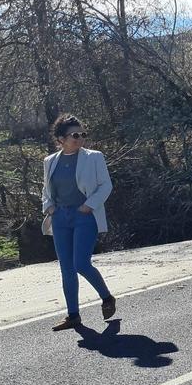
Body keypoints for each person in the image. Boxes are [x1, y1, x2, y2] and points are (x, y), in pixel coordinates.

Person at [41, 114, 116, 331]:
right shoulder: (50, 161)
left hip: (85, 215)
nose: (80, 138)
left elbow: (105, 186)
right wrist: (49, 207)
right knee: (66, 268)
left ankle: (107, 297)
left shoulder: (94, 157)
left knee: (80, 263)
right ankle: (73, 315)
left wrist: (89, 205)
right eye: (75, 135)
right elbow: (46, 190)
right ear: (61, 139)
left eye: (83, 134)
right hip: (60, 217)